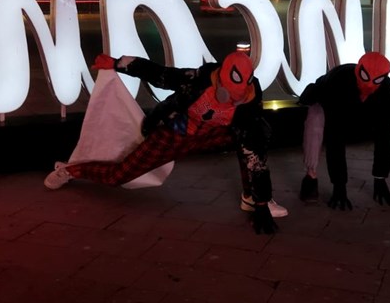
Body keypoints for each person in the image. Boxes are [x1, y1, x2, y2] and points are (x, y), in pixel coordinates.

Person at [44, 51, 283, 234]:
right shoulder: (196, 80)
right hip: (175, 135)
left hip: (212, 135)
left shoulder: (251, 100)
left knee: (251, 138)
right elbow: (158, 74)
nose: (230, 101)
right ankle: (70, 170)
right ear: (219, 80)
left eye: (237, 97)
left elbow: (256, 152)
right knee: (118, 176)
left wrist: (262, 203)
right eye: (227, 94)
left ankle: (253, 198)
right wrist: (117, 63)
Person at [294, 52, 390, 210]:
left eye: (377, 80)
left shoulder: (387, 89)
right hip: (323, 98)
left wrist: (380, 177)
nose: (369, 84)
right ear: (358, 70)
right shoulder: (338, 82)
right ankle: (310, 176)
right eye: (365, 76)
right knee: (315, 126)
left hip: (358, 105)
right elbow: (335, 138)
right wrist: (339, 186)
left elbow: (385, 132)